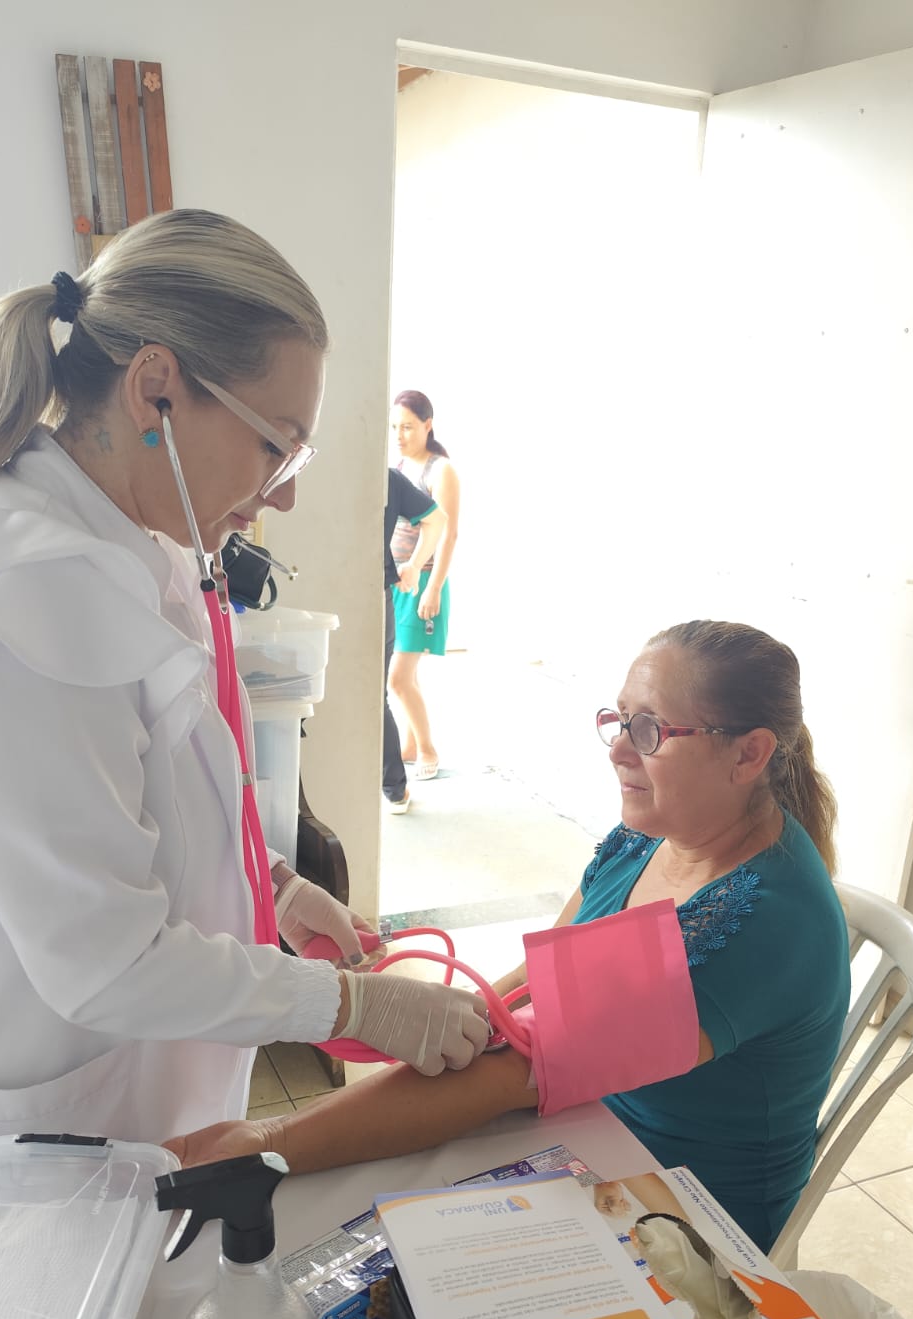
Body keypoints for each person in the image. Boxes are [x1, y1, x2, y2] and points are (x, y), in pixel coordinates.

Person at [0, 209, 489, 1197]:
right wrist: (355, 1007)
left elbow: (141, 802)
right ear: (155, 389)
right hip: (11, 1129)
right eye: (277, 444)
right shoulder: (17, 597)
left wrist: (274, 885)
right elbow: (104, 960)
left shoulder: (142, 556)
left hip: (120, 1093)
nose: (284, 493)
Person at [168, 620, 852, 1254]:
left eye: (649, 730)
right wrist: (451, 1017)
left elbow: (515, 1069)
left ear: (748, 754)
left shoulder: (761, 921)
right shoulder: (650, 839)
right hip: (588, 1133)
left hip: (687, 1211)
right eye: (618, 720)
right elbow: (533, 997)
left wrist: (269, 1138)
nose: (618, 749)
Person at [388, 390, 459, 782]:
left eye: (408, 427)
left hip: (424, 581)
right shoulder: (399, 466)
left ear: (427, 425)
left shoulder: (441, 470)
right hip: (400, 583)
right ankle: (411, 745)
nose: (399, 435)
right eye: (395, 427)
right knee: (406, 674)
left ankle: (428, 749)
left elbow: (448, 534)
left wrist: (433, 587)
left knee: (398, 678)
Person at [381, 466, 444, 815]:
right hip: (382, 593)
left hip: (386, 593)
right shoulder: (392, 475)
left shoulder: (433, 471)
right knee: (383, 691)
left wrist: (419, 571)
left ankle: (400, 781)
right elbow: (436, 520)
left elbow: (441, 522)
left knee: (391, 685)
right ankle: (395, 787)